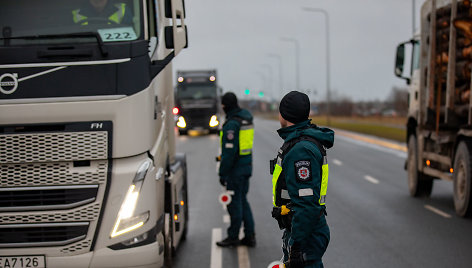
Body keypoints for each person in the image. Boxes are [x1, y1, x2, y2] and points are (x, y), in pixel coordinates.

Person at [270, 91, 333, 268]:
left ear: (285, 115)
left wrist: (297, 245)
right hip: (302, 228)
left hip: (306, 233)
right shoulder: (298, 142)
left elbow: (306, 203)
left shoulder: (301, 150)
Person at [216, 92, 256, 247]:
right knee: (243, 201)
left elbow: (229, 153)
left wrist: (222, 173)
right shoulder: (246, 119)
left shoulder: (232, 124)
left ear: (225, 106)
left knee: (234, 204)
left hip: (235, 170)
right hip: (246, 167)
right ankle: (250, 235)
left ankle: (233, 236)